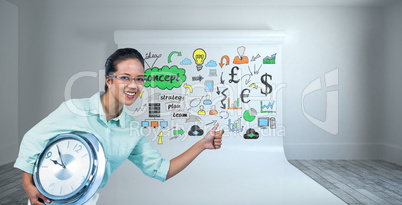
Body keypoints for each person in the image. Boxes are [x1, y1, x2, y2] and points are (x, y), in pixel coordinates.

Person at [14, 48, 223, 205]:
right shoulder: (75, 108)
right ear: (108, 80)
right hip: (45, 199)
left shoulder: (132, 131)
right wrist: (27, 185)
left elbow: (161, 170)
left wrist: (201, 145)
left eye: (139, 79)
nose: (133, 86)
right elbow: (33, 139)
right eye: (125, 78)